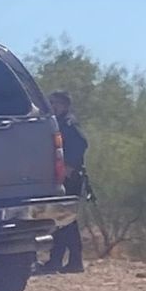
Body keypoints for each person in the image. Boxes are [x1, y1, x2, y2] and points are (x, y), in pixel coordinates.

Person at [41, 90, 88, 274]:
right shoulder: (56, 122)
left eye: (56, 103)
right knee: (59, 219)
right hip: (58, 177)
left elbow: (82, 143)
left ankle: (75, 261)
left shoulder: (69, 123)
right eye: (51, 102)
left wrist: (69, 166)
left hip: (70, 178)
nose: (53, 106)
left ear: (65, 105)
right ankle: (56, 260)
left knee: (67, 219)